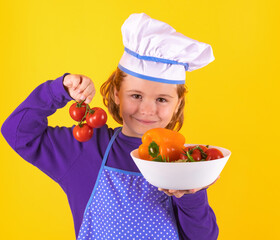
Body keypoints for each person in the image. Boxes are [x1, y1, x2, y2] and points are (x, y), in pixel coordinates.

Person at [1, 13, 218, 240]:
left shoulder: (183, 162)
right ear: (116, 94)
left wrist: (192, 195)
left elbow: (203, 237)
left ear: (178, 104)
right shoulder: (84, 148)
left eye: (162, 99)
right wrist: (59, 90)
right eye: (135, 95)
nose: (147, 109)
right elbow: (17, 131)